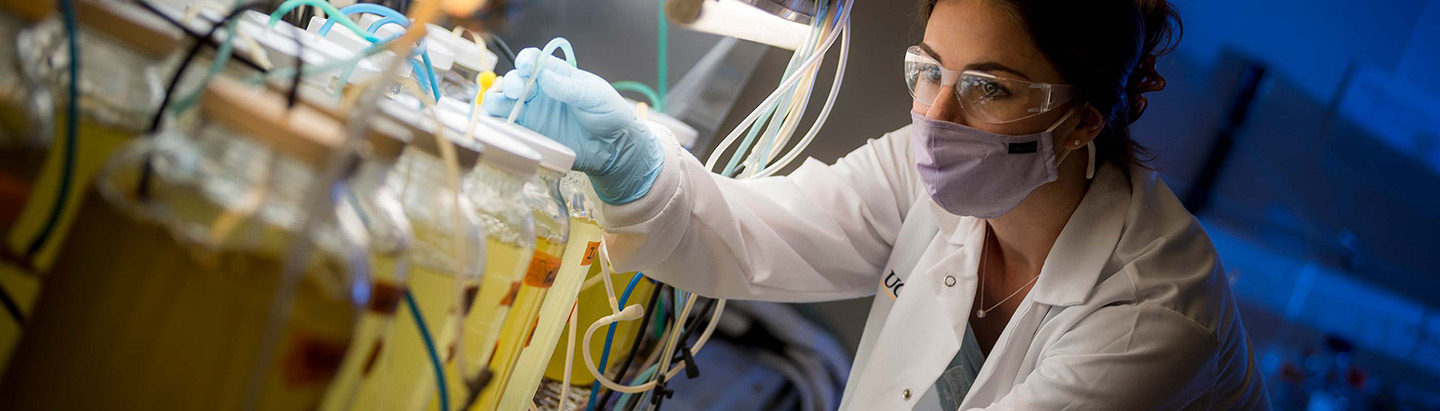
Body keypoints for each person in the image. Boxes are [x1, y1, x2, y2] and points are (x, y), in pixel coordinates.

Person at [482, 0, 1271, 409]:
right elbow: (748, 234)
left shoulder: (1154, 313)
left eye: (989, 87)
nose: (937, 115)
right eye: (929, 69)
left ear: (1084, 118)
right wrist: (631, 160)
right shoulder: (931, 173)